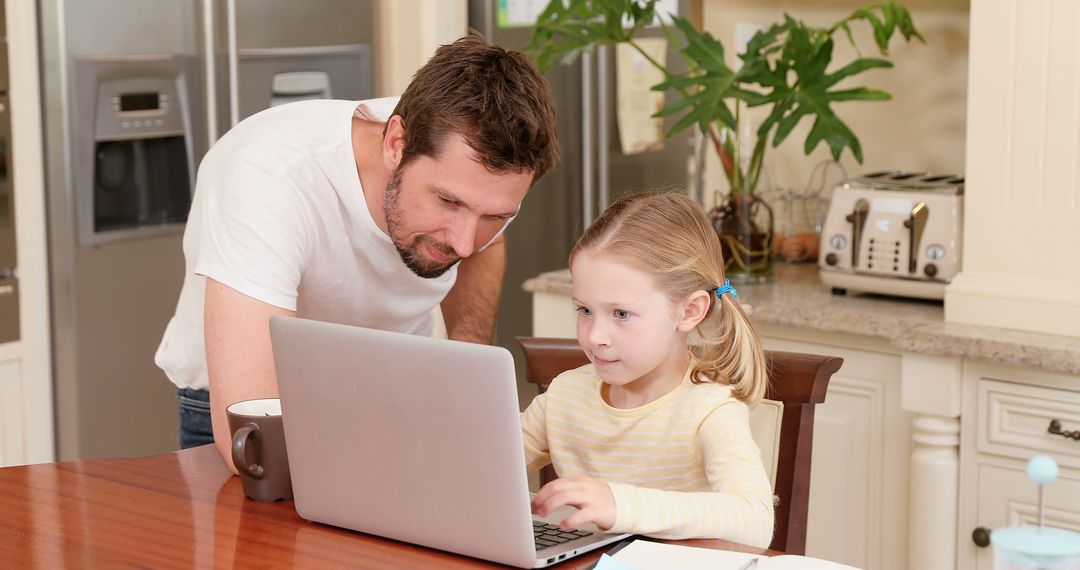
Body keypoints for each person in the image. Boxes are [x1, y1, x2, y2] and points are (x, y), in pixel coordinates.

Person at [155, 33, 560, 471]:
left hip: (393, 392)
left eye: (494, 216)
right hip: (257, 410)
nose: (464, 241)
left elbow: (484, 247)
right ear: (395, 144)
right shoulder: (268, 178)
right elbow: (255, 441)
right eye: (448, 203)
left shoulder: (483, 177)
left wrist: (467, 362)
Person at [522, 191, 775, 547]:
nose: (596, 337)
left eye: (621, 314)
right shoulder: (565, 395)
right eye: (584, 310)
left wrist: (619, 503)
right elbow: (485, 465)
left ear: (689, 312)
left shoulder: (709, 408)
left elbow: (755, 520)